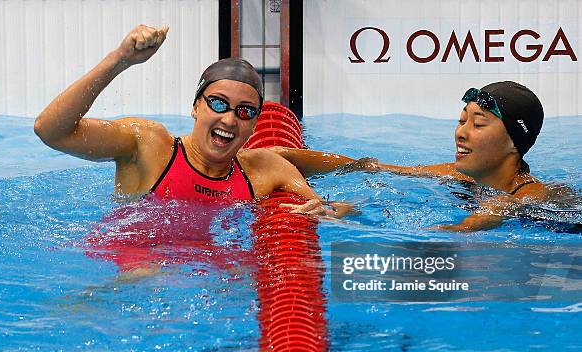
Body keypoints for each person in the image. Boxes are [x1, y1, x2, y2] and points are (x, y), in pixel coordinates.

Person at [34, 24, 350, 217]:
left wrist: (331, 211)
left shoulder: (266, 168)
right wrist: (120, 60)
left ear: (255, 125)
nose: (229, 119)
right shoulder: (148, 145)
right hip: (132, 275)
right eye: (218, 103)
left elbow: (339, 207)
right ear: (195, 107)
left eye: (245, 111)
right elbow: (50, 131)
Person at [274, 81, 555, 231]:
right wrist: (281, 154)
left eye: (478, 124)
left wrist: (353, 222)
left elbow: (458, 232)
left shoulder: (528, 198)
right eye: (461, 120)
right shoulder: (459, 175)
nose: (461, 133)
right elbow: (372, 167)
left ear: (514, 142)